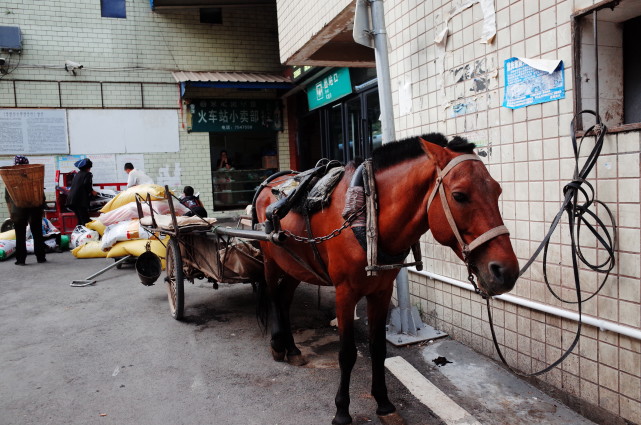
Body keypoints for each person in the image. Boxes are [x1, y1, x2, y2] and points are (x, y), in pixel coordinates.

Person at [4, 155, 46, 265]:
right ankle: (41, 257)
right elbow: (42, 195)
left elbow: (8, 198)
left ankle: (21, 259)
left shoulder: (10, 180)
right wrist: (41, 209)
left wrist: (11, 213)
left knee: (20, 235)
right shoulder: (35, 177)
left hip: (18, 211)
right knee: (37, 233)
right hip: (35, 209)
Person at [66, 158, 98, 227]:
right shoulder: (88, 174)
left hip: (72, 200)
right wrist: (92, 191)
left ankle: (78, 233)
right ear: (88, 167)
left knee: (80, 220)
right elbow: (86, 184)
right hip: (80, 201)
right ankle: (86, 235)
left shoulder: (77, 174)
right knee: (85, 220)